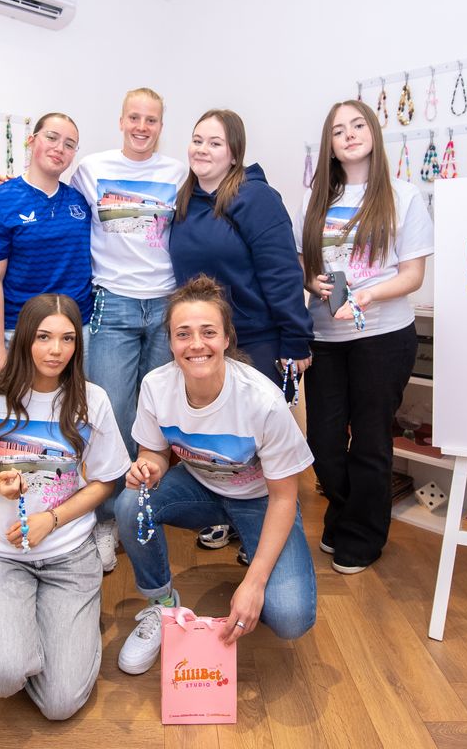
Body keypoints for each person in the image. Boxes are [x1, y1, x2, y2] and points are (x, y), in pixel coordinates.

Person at [114, 275, 317, 675]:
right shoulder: (157, 386)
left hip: (262, 500)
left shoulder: (263, 401)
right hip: (200, 488)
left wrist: (254, 584)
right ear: (170, 342)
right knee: (128, 502)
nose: (196, 344)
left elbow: (284, 495)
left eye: (208, 332)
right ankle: (161, 605)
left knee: (291, 617)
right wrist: (148, 468)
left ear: (227, 339)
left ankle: (259, 564)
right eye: (183, 334)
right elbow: (153, 451)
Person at [0, 294, 129, 720]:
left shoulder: (91, 400)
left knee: (61, 704)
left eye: (67, 339)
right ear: (25, 339)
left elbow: (106, 480)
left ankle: (31, 632)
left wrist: (53, 518)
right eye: (44, 337)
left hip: (69, 558)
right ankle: (3, 638)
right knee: (2, 673)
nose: (56, 350)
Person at [168, 108, 313, 557]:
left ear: (234, 153)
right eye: (197, 140)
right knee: (217, 438)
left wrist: (296, 339)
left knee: (261, 442)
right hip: (204, 344)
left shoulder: (256, 198)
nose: (202, 149)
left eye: (214, 142)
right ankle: (227, 517)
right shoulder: (185, 200)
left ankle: (271, 530)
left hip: (256, 338)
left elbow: (283, 272)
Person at [297, 99, 433, 574]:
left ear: (373, 132)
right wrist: (310, 278)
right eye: (338, 130)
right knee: (324, 444)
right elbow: (302, 261)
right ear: (330, 146)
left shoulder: (403, 196)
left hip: (382, 337)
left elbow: (413, 274)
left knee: (371, 441)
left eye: (357, 125)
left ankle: (363, 537)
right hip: (325, 339)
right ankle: (348, 512)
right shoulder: (316, 200)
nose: (349, 134)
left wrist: (370, 295)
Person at [69, 87, 188, 572]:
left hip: (165, 305)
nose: (142, 127)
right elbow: (61, 212)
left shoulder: (178, 173)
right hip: (111, 304)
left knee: (156, 417)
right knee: (111, 415)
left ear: (162, 126)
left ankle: (140, 508)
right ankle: (101, 518)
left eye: (152, 120)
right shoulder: (90, 169)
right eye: (134, 118)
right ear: (121, 121)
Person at [0, 112, 92, 375]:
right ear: (31, 141)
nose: (59, 148)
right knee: (22, 413)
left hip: (77, 330)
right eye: (52, 137)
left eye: (69, 144)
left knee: (74, 412)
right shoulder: (0, 201)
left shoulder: (80, 201)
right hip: (22, 329)